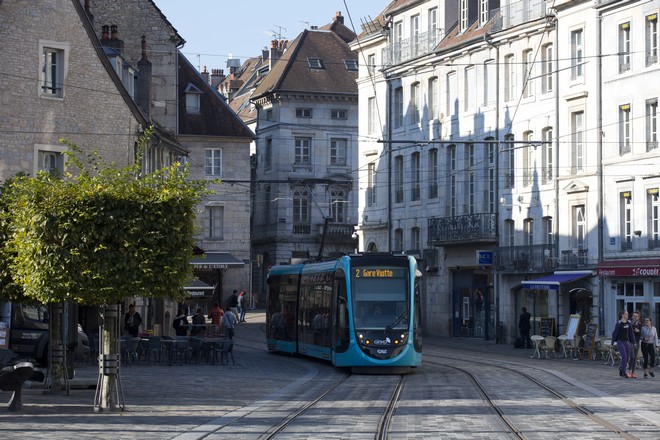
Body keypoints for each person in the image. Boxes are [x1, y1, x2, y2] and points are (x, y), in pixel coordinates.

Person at [612, 310, 636, 378]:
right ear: (622, 315)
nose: (627, 315)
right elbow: (615, 333)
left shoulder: (629, 323)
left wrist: (633, 342)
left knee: (627, 358)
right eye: (626, 314)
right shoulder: (619, 323)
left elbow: (631, 333)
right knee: (624, 357)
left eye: (627, 314)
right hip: (620, 342)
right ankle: (624, 371)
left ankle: (621, 368)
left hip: (627, 342)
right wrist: (612, 342)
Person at [629, 311, 642, 377]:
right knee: (631, 356)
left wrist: (638, 331)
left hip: (636, 341)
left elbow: (640, 333)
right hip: (629, 341)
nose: (635, 317)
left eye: (636, 316)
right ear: (632, 316)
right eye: (634, 316)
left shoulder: (640, 324)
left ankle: (632, 372)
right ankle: (629, 370)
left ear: (638, 317)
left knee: (634, 357)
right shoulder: (629, 322)